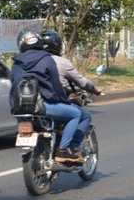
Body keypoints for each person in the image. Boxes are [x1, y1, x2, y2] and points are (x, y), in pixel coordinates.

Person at [9, 28, 84, 163]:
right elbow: (56, 86)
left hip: (20, 110)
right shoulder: (47, 60)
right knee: (76, 114)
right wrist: (65, 101)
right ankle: (63, 150)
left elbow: (13, 86)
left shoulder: (16, 63)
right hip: (43, 106)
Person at [40, 29, 102, 149]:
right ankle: (69, 148)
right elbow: (82, 82)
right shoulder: (62, 62)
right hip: (51, 103)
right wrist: (95, 89)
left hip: (32, 104)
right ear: (57, 46)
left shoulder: (33, 61)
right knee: (82, 115)